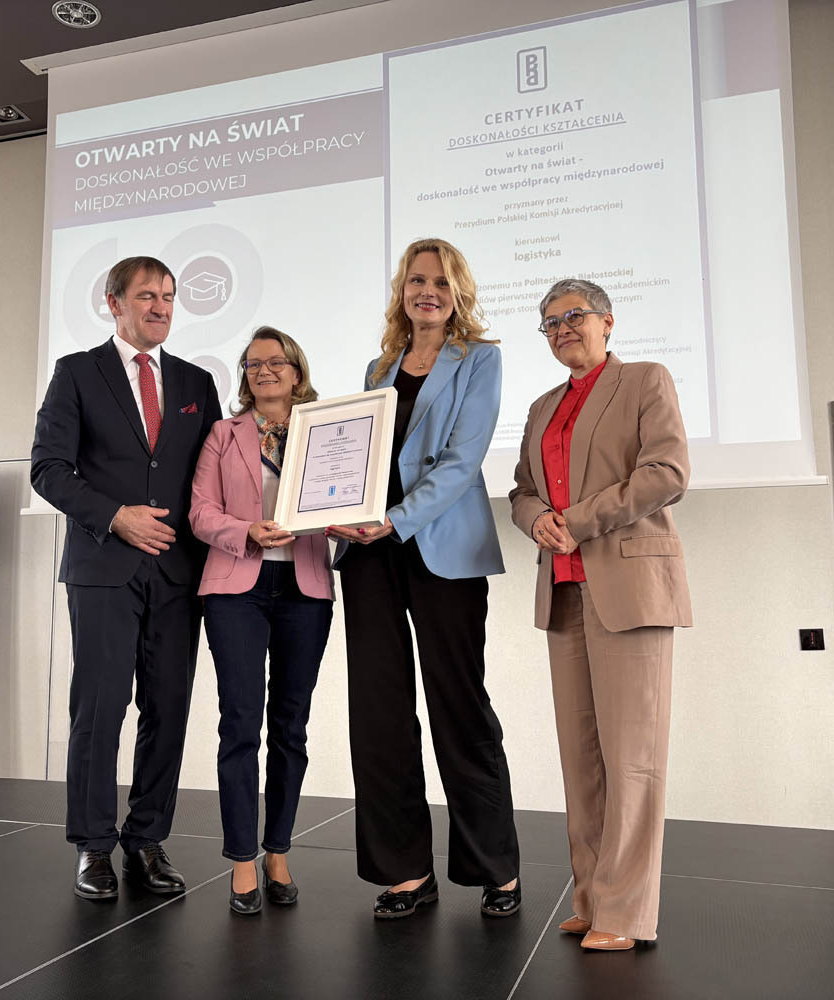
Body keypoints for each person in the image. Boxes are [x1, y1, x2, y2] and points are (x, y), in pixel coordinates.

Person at [327, 238, 520, 920]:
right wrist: (338, 507)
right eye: (416, 280)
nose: (427, 291)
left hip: (440, 547)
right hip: (370, 553)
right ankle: (405, 870)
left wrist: (396, 519)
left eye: (440, 281)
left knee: (459, 705)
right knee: (379, 712)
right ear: (401, 291)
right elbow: (360, 458)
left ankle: (495, 867)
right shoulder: (378, 368)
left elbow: (464, 461)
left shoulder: (480, 359)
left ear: (457, 290)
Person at [509, 278, 693, 950]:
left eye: (574, 316)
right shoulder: (541, 407)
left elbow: (667, 472)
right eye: (550, 322)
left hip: (630, 585)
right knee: (582, 759)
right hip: (563, 592)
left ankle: (625, 913)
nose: (562, 329)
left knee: (633, 758)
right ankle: (591, 898)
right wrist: (536, 519)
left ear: (607, 321)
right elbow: (521, 491)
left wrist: (576, 520)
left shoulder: (645, 379)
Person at [31, 255, 221, 901]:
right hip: (104, 567)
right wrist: (116, 517)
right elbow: (48, 469)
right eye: (147, 296)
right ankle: (92, 845)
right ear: (113, 302)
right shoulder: (77, 373)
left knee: (167, 708)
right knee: (100, 707)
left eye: (168, 296)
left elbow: (214, 476)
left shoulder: (196, 381)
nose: (161, 307)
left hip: (178, 571)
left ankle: (147, 839)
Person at [190, 327, 334, 915]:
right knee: (240, 724)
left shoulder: (328, 431)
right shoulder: (223, 434)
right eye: (253, 364)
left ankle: (278, 851)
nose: (264, 371)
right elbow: (200, 513)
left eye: (276, 362)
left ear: (297, 371)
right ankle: (242, 860)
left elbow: (343, 498)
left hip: (306, 588)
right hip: (236, 591)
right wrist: (245, 530)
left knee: (291, 727)